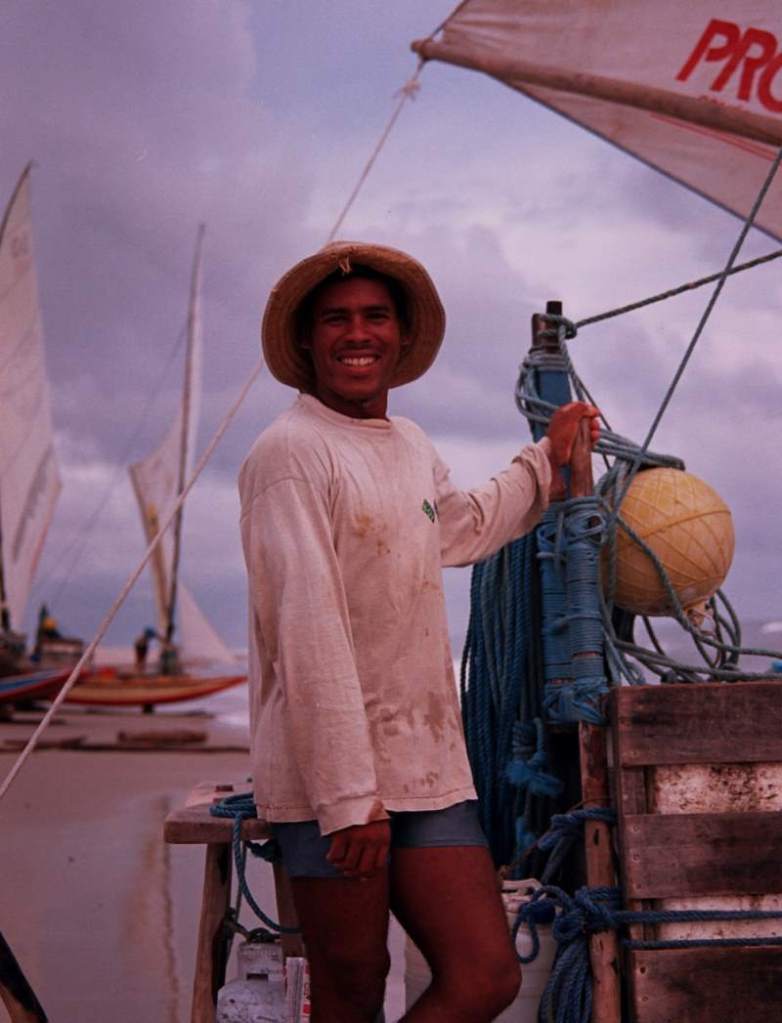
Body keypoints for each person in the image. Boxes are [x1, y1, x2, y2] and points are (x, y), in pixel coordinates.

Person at [239, 241, 599, 1023]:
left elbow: (460, 528)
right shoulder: (290, 455)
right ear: (307, 341)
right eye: (336, 319)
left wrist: (548, 460)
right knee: (353, 986)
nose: (356, 333)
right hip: (331, 779)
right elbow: (308, 632)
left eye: (374, 317)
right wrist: (347, 800)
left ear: (401, 337)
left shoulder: (408, 445)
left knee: (486, 973)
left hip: (425, 762)